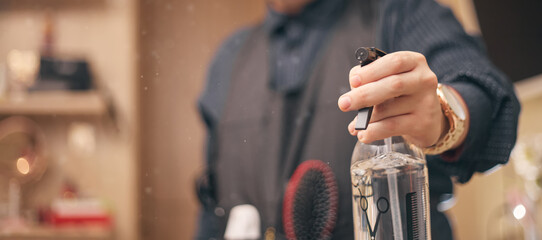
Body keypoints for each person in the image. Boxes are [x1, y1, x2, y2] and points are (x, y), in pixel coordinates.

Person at [195, 0, 521, 239]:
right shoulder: (228, 58)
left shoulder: (402, 13)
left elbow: (490, 99)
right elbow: (212, 210)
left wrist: (445, 114)